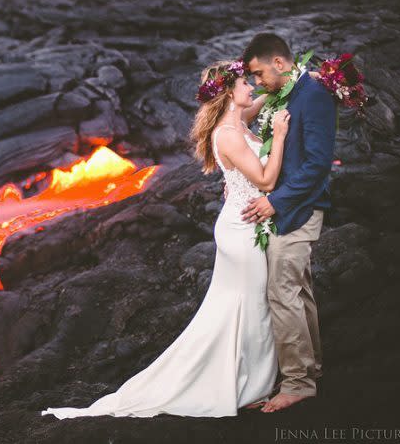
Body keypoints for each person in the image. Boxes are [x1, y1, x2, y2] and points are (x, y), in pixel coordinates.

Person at [41, 58, 291, 419]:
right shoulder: (229, 134)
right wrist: (279, 136)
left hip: (245, 222)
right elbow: (266, 181)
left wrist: (296, 79)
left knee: (240, 308)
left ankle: (245, 378)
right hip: (242, 229)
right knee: (252, 306)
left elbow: (266, 97)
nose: (250, 86)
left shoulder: (239, 120)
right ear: (228, 93)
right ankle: (246, 384)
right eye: (243, 83)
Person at [240, 33, 335, 413]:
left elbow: (317, 164)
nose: (258, 83)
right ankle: (312, 368)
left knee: (281, 293)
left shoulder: (312, 94)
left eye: (260, 74)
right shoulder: (288, 93)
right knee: (299, 291)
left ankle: (298, 382)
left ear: (279, 63)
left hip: (297, 210)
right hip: (289, 208)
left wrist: (273, 201)